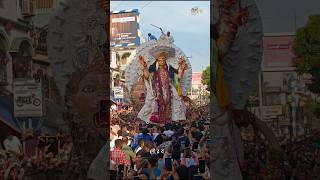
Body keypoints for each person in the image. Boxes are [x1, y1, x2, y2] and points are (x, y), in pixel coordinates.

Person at [138, 44, 188, 124]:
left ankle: (168, 123)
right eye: (159, 60)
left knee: (169, 107)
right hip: (158, 93)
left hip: (169, 92)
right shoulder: (154, 71)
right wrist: (144, 66)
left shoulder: (170, 70)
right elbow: (147, 77)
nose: (161, 61)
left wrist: (181, 68)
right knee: (158, 107)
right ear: (157, 61)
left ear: (165, 61)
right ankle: (159, 122)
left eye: (163, 60)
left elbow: (177, 78)